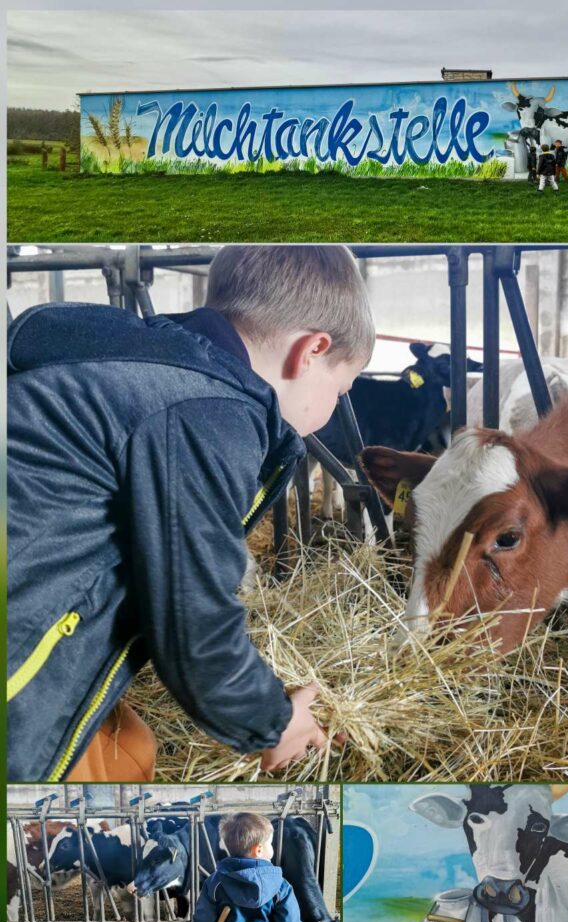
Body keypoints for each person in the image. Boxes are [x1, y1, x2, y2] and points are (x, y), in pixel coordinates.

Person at [8, 245, 375, 782]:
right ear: (311, 351)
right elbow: (194, 625)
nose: (331, 410)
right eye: (341, 389)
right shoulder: (208, 413)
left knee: (128, 747)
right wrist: (273, 722)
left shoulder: (144, 367)